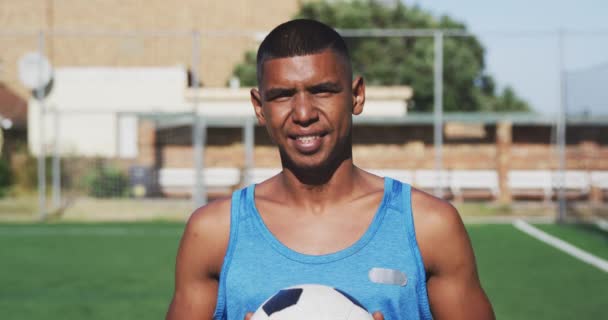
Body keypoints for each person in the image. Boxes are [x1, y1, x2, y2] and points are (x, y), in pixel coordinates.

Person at [166, 19, 494, 320]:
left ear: (356, 96)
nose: (304, 113)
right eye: (282, 96)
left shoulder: (429, 227)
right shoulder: (212, 234)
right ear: (259, 107)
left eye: (322, 90)